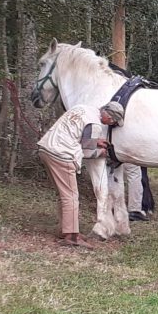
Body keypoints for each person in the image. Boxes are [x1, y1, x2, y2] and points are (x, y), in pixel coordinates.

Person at [37, 102, 125, 247]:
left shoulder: (84, 108)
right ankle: (72, 236)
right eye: (113, 121)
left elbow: (78, 133)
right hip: (62, 155)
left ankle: (65, 229)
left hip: (47, 148)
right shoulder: (95, 125)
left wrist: (95, 141)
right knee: (71, 196)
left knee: (63, 195)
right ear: (108, 116)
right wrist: (101, 153)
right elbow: (86, 152)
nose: (111, 123)